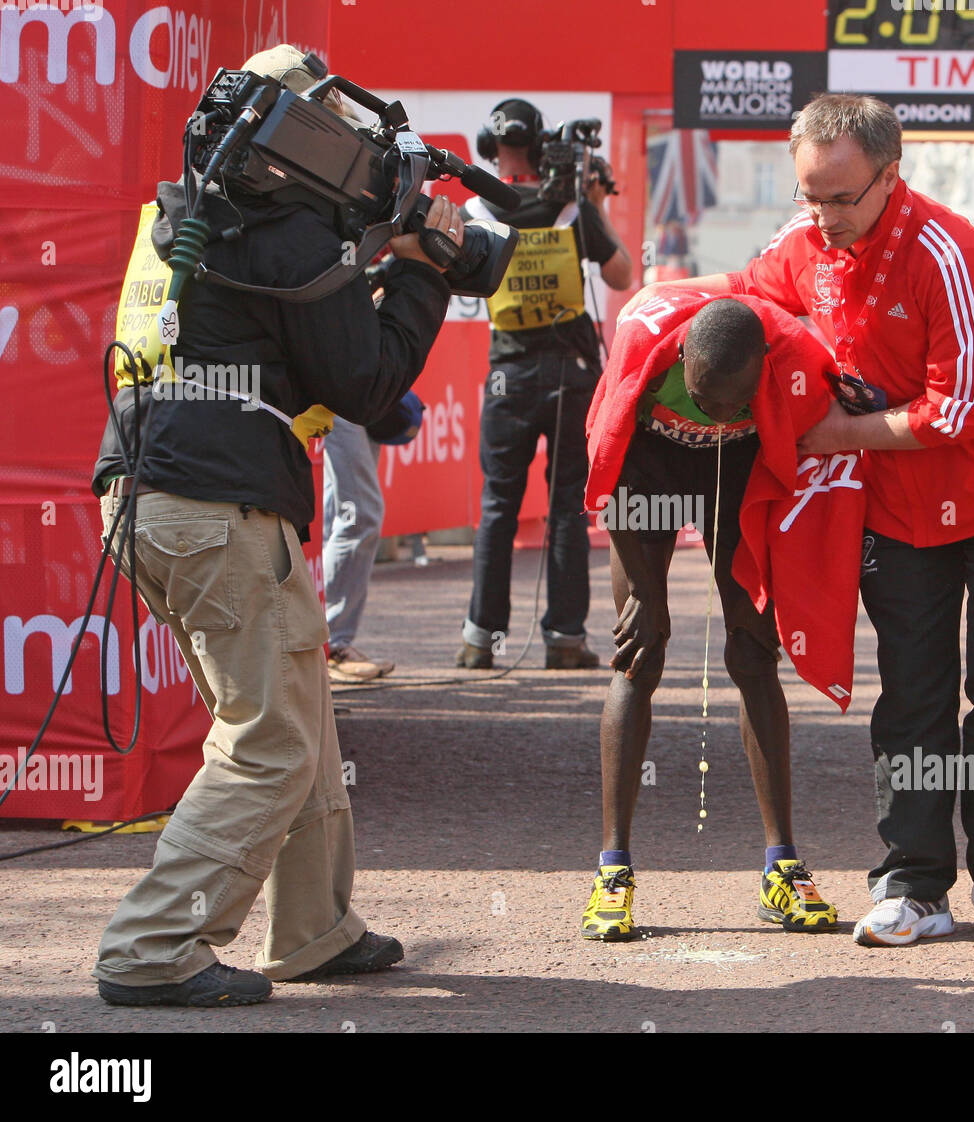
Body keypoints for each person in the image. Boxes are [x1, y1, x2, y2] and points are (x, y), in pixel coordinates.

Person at [624, 94, 974, 946]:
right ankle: (913, 884)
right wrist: (654, 310)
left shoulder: (954, 254)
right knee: (913, 699)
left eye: (841, 198)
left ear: (891, 177)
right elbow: (741, 297)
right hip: (901, 513)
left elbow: (958, 410)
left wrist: (827, 433)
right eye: (809, 197)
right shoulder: (803, 247)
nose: (822, 217)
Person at [89, 45, 462, 1005]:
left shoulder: (188, 210)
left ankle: (314, 929)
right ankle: (151, 946)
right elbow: (366, 386)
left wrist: (369, 258)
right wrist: (426, 271)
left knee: (298, 714)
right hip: (219, 508)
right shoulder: (291, 233)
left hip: (151, 494)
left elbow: (267, 340)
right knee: (270, 740)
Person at [580, 293, 870, 940]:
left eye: (729, 402)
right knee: (641, 647)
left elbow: (816, 456)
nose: (713, 410)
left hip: (736, 475)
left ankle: (782, 866)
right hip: (646, 472)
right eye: (703, 397)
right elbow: (607, 461)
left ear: (765, 368)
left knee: (752, 649)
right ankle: (613, 870)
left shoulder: (796, 357)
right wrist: (647, 598)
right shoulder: (642, 348)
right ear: (681, 356)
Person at [457, 98, 634, 670]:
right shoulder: (571, 208)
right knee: (566, 511)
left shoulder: (473, 207)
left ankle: (479, 642)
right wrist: (595, 204)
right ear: (542, 146)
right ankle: (564, 640)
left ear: (490, 147)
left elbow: (459, 284)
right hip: (571, 376)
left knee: (496, 510)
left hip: (506, 378)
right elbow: (622, 273)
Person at [322, 417, 394, 683]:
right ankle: (331, 644)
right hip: (337, 398)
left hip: (364, 395)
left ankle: (328, 646)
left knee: (336, 516)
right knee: (359, 516)